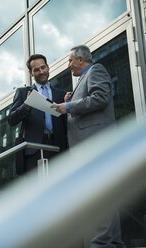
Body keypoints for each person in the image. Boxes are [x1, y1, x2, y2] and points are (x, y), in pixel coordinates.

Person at [51, 45, 125, 248]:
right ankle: (112, 244)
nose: (68, 66)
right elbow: (89, 101)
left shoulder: (95, 70)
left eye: (70, 61)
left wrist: (68, 106)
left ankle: (100, 244)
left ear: (81, 59)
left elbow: (100, 97)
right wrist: (71, 100)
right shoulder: (84, 78)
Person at [8, 54, 68, 174]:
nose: (41, 72)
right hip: (34, 150)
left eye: (43, 67)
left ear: (48, 67)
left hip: (59, 148)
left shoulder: (61, 94)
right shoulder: (23, 92)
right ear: (31, 73)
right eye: (36, 70)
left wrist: (67, 105)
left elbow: (67, 122)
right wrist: (26, 105)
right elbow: (11, 119)